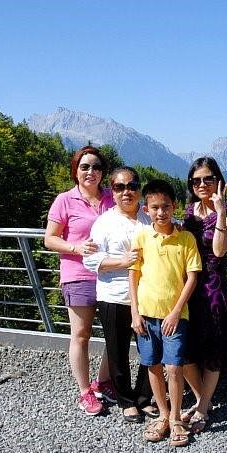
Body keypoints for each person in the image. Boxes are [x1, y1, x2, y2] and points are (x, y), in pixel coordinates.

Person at [128, 179, 202, 447]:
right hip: (146, 314)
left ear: (175, 207)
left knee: (173, 366)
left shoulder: (186, 238)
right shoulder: (142, 236)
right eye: (155, 207)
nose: (161, 212)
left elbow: (192, 277)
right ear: (146, 209)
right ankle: (162, 416)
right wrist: (135, 312)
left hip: (175, 316)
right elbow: (133, 275)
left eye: (166, 206)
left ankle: (175, 418)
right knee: (153, 365)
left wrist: (176, 311)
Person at [44, 145, 115, 415]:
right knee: (81, 334)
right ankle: (85, 391)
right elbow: (50, 239)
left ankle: (103, 381)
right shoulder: (65, 200)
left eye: (96, 167)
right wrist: (76, 247)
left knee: (115, 333)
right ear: (76, 170)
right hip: (78, 275)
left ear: (103, 172)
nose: (90, 172)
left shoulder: (112, 198)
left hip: (111, 275)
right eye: (85, 167)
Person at [83, 166, 157, 423]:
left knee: (150, 349)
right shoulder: (104, 223)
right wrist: (122, 261)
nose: (127, 192)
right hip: (113, 295)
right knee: (117, 350)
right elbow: (90, 260)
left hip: (147, 296)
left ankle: (145, 397)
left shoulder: (149, 218)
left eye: (132, 186)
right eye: (119, 187)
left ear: (139, 189)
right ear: (112, 191)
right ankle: (126, 400)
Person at [181, 157, 227, 433]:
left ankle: (202, 408)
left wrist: (220, 210)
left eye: (208, 179)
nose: (202, 184)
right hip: (188, 284)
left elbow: (218, 249)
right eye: (196, 180)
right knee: (185, 347)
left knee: (213, 348)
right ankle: (203, 398)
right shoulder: (189, 211)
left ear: (218, 180)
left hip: (212, 286)